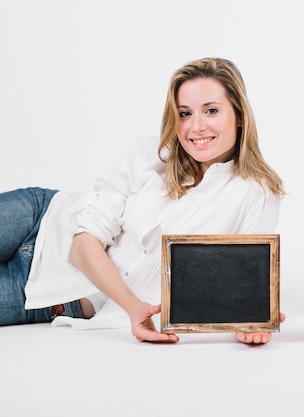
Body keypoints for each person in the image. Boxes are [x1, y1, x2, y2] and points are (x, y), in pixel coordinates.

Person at [0, 57, 286, 344]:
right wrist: (134, 308)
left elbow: (244, 289)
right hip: (40, 216)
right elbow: (82, 245)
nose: (196, 126)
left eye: (211, 110)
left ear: (238, 114)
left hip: (55, 297)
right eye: (184, 113)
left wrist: (253, 322)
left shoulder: (257, 193)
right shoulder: (148, 154)